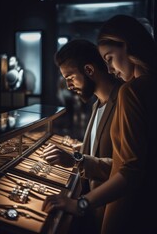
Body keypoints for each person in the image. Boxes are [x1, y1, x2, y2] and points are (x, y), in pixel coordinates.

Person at [42, 15, 157, 234]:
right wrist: (77, 156)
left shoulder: (130, 92)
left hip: (124, 215)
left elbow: (127, 170)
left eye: (110, 58)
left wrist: (80, 203)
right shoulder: (98, 105)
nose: (111, 69)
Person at [42, 39, 122, 233]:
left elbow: (127, 169)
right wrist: (76, 152)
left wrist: (76, 159)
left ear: (89, 70)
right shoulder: (97, 104)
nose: (68, 86)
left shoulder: (123, 102)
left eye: (70, 77)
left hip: (112, 216)